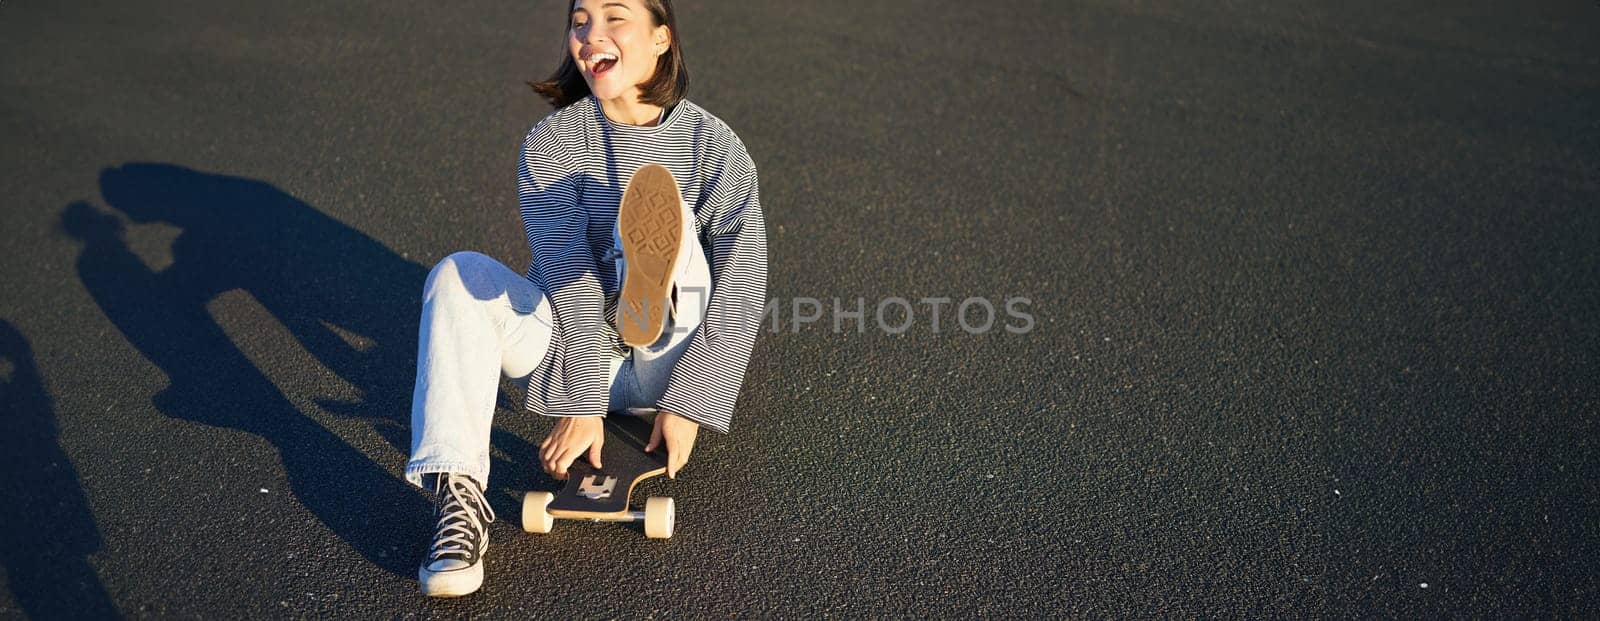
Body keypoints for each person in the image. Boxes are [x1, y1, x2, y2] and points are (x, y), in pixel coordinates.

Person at [404, 0, 767, 598]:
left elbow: (743, 276)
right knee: (455, 274)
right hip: (575, 350)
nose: (590, 35)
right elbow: (566, 276)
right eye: (580, 21)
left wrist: (693, 402)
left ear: (660, 40)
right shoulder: (553, 143)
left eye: (614, 16)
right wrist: (583, 401)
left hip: (671, 359)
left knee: (676, 231)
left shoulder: (712, 145)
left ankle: (651, 266)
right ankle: (458, 504)